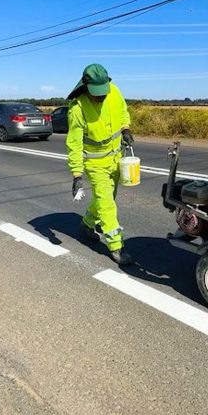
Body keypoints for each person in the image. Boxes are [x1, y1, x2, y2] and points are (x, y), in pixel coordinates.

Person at [66, 64, 135, 266]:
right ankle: (116, 246)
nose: (101, 96)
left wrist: (125, 129)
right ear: (86, 87)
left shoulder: (113, 91)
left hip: (115, 158)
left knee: (107, 197)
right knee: (106, 203)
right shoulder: (77, 108)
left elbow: (123, 111)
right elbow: (74, 143)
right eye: (96, 94)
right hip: (95, 163)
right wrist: (77, 174)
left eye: (103, 92)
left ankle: (87, 224)